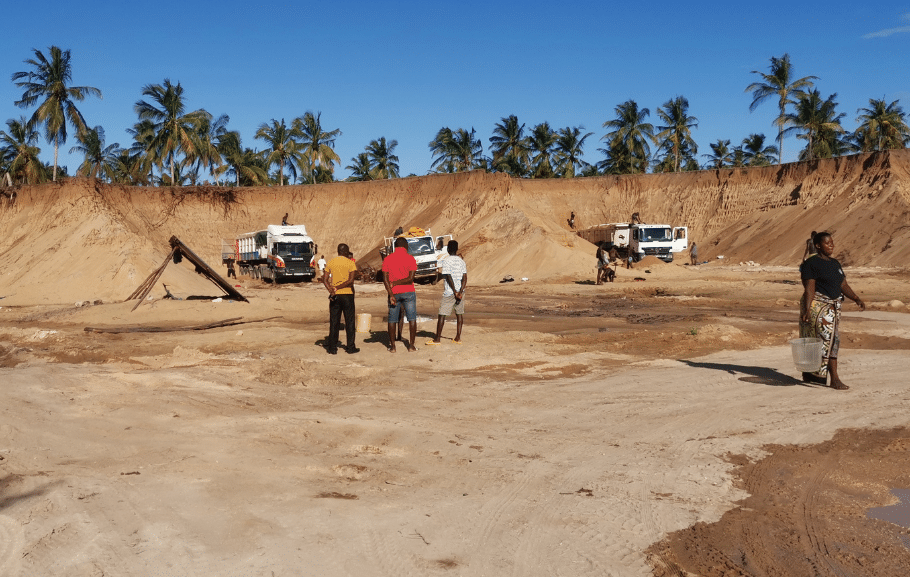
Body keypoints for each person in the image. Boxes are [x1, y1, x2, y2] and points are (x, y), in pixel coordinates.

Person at [799, 231, 865, 390]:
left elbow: (843, 284)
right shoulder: (811, 263)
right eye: (827, 243)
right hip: (818, 308)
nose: (831, 246)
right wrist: (807, 310)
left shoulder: (835, 263)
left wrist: (856, 298)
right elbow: (810, 288)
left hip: (833, 309)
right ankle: (832, 378)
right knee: (824, 342)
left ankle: (812, 375)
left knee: (830, 342)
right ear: (818, 245)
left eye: (832, 243)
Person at [322, 244, 360, 355]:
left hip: (335, 296)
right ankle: (350, 347)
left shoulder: (331, 262)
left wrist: (331, 289)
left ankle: (332, 348)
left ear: (338, 251)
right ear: (346, 252)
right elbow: (351, 281)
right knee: (350, 321)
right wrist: (338, 287)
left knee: (334, 321)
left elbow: (324, 279)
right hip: (347, 295)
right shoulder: (350, 263)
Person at [382, 237, 418, 352]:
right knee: (412, 319)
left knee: (392, 319)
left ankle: (392, 347)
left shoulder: (387, 259)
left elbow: (385, 279)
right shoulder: (411, 258)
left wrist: (391, 293)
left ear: (395, 246)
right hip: (409, 292)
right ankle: (411, 346)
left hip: (394, 293)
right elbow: (411, 278)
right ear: (405, 246)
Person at [428, 241, 467, 344]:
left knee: (442, 315)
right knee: (459, 314)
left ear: (448, 250)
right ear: (457, 249)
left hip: (450, 292)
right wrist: (460, 291)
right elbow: (464, 278)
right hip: (461, 292)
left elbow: (449, 277)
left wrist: (455, 291)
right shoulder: (462, 261)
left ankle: (437, 339)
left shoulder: (446, 261)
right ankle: (458, 338)